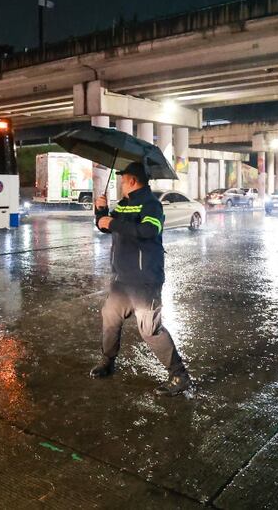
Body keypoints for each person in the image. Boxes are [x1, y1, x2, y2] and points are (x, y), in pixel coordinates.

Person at [91, 162, 191, 397]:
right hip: (121, 279)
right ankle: (108, 361)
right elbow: (106, 227)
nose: (121, 183)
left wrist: (112, 222)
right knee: (110, 318)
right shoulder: (124, 205)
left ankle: (180, 375)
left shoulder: (151, 205)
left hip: (144, 279)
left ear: (132, 181)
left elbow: (149, 230)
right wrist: (101, 212)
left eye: (123, 179)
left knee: (150, 329)